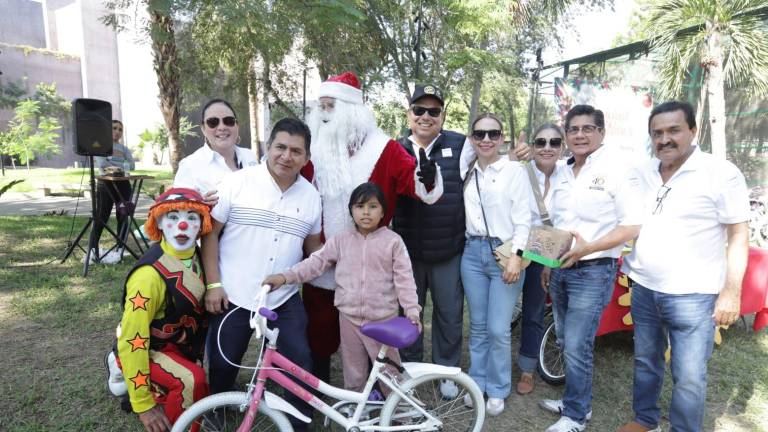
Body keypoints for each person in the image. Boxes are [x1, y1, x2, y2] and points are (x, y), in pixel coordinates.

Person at [301, 71, 442, 383]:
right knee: (320, 327)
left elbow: (418, 187)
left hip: (369, 262)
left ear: (351, 109)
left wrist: (427, 177)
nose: (323, 115)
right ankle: (322, 384)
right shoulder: (314, 148)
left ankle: (383, 391)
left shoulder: (385, 149)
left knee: (372, 332)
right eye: (320, 107)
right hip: (321, 257)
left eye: (330, 107)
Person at [617, 101, 749, 432]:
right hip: (644, 287)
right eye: (657, 133)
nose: (664, 139)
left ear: (693, 130)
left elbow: (738, 234)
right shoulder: (643, 170)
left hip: (694, 296)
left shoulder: (721, 173)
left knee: (689, 376)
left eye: (673, 130)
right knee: (645, 362)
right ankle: (645, 420)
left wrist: (731, 292)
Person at [202, 117, 321, 432]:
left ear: (306, 158)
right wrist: (214, 284)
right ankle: (217, 409)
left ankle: (300, 423)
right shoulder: (237, 183)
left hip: (283, 298)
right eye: (280, 147)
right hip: (235, 294)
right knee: (224, 363)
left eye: (296, 151)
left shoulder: (311, 197)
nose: (286, 156)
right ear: (268, 147)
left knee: (300, 361)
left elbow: (314, 248)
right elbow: (210, 235)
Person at [539, 105, 644, 432]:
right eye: (573, 129)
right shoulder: (562, 170)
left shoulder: (618, 168)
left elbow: (631, 226)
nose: (580, 135)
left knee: (577, 343)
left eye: (587, 128)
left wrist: (588, 248)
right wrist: (546, 262)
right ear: (566, 134)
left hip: (593, 270)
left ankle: (576, 416)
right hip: (559, 268)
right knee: (564, 337)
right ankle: (573, 400)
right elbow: (555, 222)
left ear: (601, 132)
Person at [264, 182, 422, 393]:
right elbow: (314, 264)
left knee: (389, 372)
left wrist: (412, 309)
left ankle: (402, 414)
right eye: (360, 206)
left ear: (383, 210)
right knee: (353, 370)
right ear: (351, 211)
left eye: (373, 206)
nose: (366, 212)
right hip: (349, 319)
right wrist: (284, 277)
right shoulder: (340, 241)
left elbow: (405, 280)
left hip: (383, 320)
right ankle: (354, 409)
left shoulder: (393, 242)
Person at [107, 187, 212, 431]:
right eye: (173, 217)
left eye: (191, 218)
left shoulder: (201, 256)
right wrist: (143, 405)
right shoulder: (148, 276)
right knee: (191, 381)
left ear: (201, 224)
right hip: (148, 349)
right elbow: (133, 339)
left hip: (180, 344)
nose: (182, 226)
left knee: (203, 387)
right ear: (160, 222)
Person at [392, 84, 465, 397]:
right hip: (407, 251)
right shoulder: (394, 149)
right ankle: (409, 367)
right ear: (409, 114)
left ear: (442, 116)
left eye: (433, 111)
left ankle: (446, 370)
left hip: (448, 249)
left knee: (449, 314)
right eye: (419, 110)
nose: (426, 116)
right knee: (409, 313)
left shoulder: (462, 145)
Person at [461, 113, 531, 416]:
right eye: (479, 134)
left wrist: (517, 256)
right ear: (472, 139)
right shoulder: (467, 171)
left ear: (501, 138)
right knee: (476, 326)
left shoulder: (514, 170)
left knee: (498, 328)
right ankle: (478, 382)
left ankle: (498, 387)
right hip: (472, 252)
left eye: (492, 134)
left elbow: (524, 219)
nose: (486, 139)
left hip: (504, 253)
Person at [515, 123, 566, 396]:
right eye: (541, 142)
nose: (547, 147)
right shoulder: (519, 171)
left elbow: (565, 221)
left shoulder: (568, 176)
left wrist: (549, 262)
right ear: (532, 146)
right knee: (502, 309)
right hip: (515, 244)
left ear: (562, 147)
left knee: (534, 311)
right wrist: (513, 157)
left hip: (545, 245)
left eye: (554, 142)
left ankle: (527, 368)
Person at [174, 99, 258, 206]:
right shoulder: (189, 166)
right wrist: (199, 205)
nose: (222, 127)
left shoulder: (249, 156)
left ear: (237, 125)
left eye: (229, 121)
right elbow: (177, 210)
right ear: (203, 129)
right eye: (213, 122)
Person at [88, 119, 135, 264]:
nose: (117, 131)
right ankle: (92, 250)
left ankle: (119, 250)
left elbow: (132, 166)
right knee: (102, 216)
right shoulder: (100, 146)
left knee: (123, 216)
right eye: (114, 128)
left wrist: (112, 164)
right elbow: (102, 164)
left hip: (123, 185)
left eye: (120, 129)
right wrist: (121, 164)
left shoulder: (124, 149)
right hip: (106, 185)